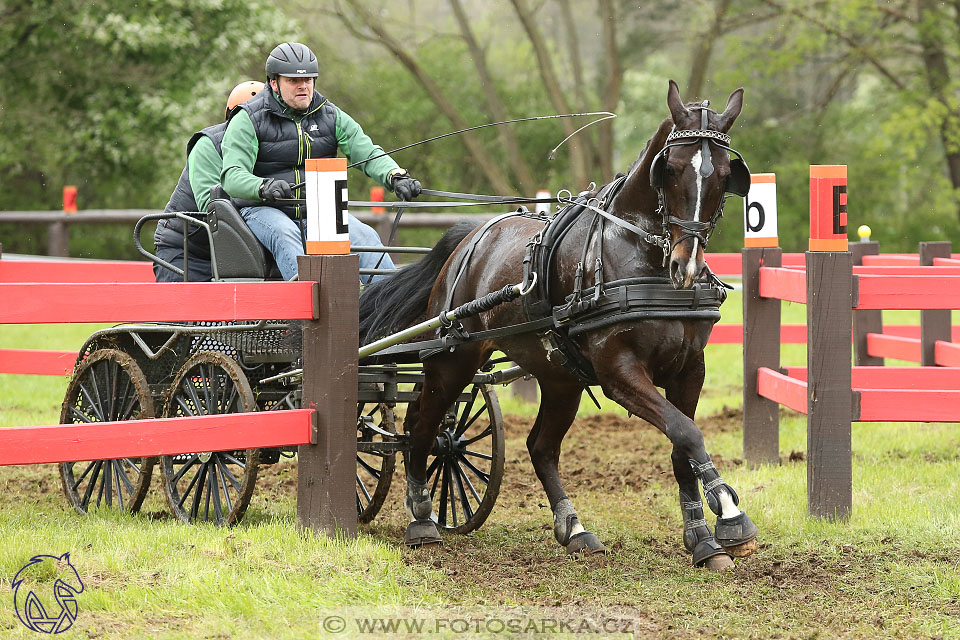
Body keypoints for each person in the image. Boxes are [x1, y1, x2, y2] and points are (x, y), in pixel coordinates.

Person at [219, 42, 421, 282]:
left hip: (322, 209)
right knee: (286, 234)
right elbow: (231, 175)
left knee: (365, 236)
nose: (303, 86)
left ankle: (391, 312)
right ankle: (308, 313)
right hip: (264, 208)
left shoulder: (331, 115)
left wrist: (394, 175)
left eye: (308, 80)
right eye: (293, 81)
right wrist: (262, 187)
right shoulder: (248, 118)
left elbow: (366, 151)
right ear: (273, 83)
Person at [153, 81, 266, 282]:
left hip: (237, 252)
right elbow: (212, 207)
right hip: (189, 250)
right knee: (185, 312)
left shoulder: (273, 149)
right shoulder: (209, 146)